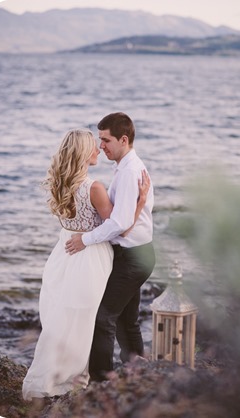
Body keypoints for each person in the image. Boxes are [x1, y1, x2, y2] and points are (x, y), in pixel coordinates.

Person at [22, 129, 149, 401]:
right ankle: (85, 379)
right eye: (93, 146)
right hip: (91, 258)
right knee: (86, 320)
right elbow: (120, 229)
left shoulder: (60, 183)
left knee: (64, 320)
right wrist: (140, 202)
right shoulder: (94, 188)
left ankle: (56, 376)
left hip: (63, 255)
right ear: (82, 153)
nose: (98, 150)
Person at [65, 112, 156, 382]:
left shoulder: (129, 172)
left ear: (123, 139)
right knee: (127, 321)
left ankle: (102, 380)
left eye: (105, 140)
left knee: (103, 317)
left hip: (133, 258)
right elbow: (126, 220)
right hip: (135, 253)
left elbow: (117, 223)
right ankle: (136, 372)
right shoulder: (126, 167)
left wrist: (84, 239)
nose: (100, 145)